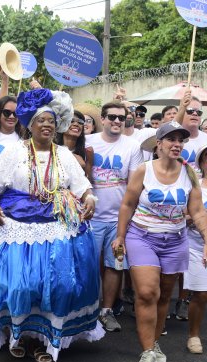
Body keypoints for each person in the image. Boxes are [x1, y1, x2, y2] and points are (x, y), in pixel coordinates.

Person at [0, 88, 104, 362]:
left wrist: (90, 198)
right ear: (30, 125)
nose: (47, 125)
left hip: (56, 223)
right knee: (19, 286)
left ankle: (44, 339)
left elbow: (82, 185)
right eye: (41, 120)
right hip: (16, 220)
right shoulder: (14, 151)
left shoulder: (64, 154)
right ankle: (19, 334)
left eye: (51, 120)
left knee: (53, 286)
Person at [112, 121, 207, 362]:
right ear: (159, 145)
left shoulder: (189, 173)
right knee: (145, 292)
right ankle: (146, 353)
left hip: (176, 240)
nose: (177, 144)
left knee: (164, 295)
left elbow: (197, 212)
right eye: (172, 139)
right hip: (142, 237)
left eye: (181, 140)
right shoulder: (144, 170)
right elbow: (127, 205)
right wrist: (120, 236)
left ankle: (154, 344)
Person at [86, 101, 143, 333]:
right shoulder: (88, 142)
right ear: (102, 119)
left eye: (122, 117)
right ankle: (85, 310)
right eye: (112, 117)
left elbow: (133, 185)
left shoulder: (132, 146)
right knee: (87, 265)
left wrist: (128, 220)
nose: (117, 121)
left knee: (115, 266)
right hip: (89, 218)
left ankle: (106, 311)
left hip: (117, 220)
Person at [184, 144, 207, 354]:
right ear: (201, 163)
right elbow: (182, 214)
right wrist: (192, 218)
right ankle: (193, 335)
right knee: (200, 294)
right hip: (195, 247)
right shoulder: (195, 187)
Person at [55, 110, 94, 179]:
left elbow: (88, 180)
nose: (76, 124)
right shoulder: (51, 148)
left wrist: (82, 168)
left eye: (80, 122)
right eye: (71, 121)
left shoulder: (88, 151)